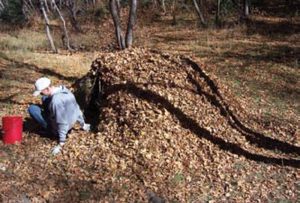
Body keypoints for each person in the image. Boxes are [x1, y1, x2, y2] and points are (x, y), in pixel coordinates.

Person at [28, 77, 90, 155]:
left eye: (41, 92)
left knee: (32, 109)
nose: (40, 94)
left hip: (59, 130)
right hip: (69, 122)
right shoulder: (65, 90)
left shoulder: (56, 101)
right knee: (45, 98)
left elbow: (62, 122)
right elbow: (76, 109)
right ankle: (51, 115)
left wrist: (61, 143)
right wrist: (83, 124)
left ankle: (51, 132)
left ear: (47, 88)